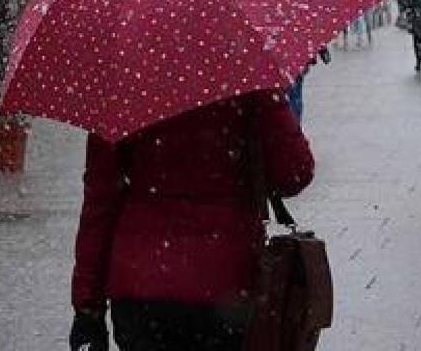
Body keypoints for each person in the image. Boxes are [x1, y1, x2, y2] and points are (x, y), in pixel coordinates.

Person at [69, 91, 315, 351]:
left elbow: (101, 202)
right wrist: (269, 100)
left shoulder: (123, 90)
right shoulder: (246, 80)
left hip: (142, 286)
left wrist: (88, 306)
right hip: (226, 285)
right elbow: (295, 174)